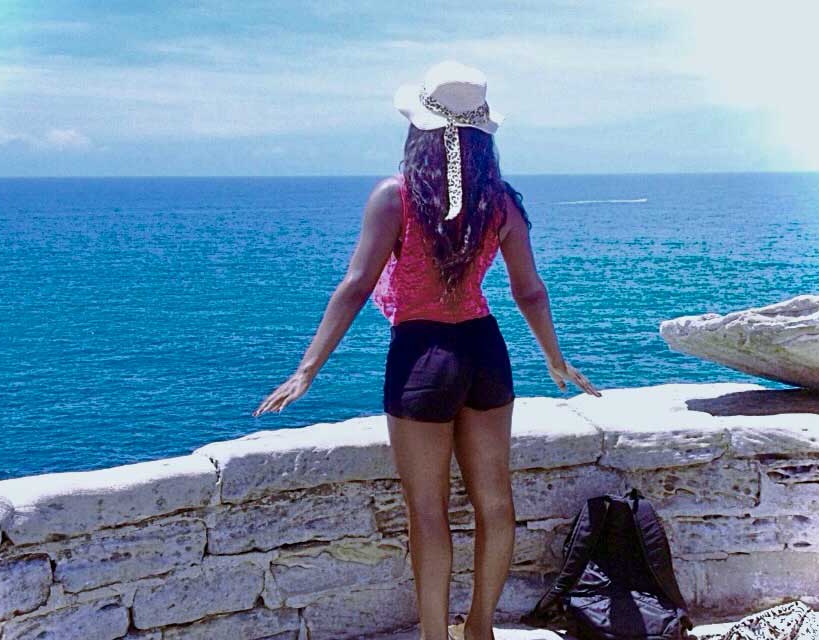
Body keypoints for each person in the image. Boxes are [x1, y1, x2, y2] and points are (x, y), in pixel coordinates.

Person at [253, 60, 601, 640]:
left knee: (428, 512)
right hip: (486, 353)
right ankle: (482, 629)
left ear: (418, 127)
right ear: (481, 134)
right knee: (495, 503)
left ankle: (436, 636)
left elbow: (357, 285)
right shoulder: (503, 202)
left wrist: (307, 369)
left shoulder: (396, 197)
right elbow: (529, 291)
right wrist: (555, 360)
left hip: (422, 358)